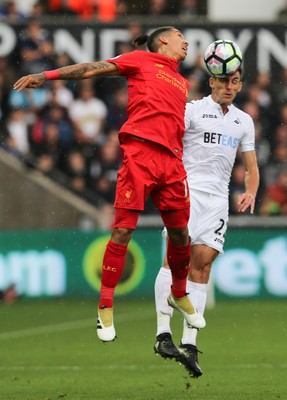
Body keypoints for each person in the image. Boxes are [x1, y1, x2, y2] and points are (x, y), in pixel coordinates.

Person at [14, 26, 206, 342]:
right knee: (122, 230)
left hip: (172, 162)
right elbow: (91, 68)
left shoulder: (182, 82)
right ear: (162, 41)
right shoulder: (140, 60)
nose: (186, 40)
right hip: (140, 155)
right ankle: (105, 308)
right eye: (179, 36)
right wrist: (47, 76)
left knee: (182, 234)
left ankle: (179, 294)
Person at [154, 66, 260, 377]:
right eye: (224, 80)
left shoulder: (244, 121)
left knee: (202, 267)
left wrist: (250, 192)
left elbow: (250, 165)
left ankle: (189, 345)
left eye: (235, 81)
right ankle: (163, 334)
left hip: (217, 201)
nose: (229, 86)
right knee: (175, 262)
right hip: (186, 193)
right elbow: (168, 143)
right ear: (212, 81)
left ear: (240, 85)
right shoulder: (192, 110)